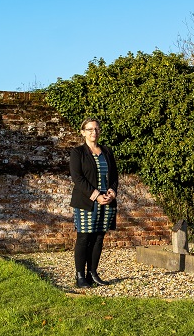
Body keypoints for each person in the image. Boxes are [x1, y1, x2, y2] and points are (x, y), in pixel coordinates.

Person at [69, 118, 118, 288]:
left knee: (98, 238)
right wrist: (96, 195)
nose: (93, 132)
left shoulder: (107, 151)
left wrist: (112, 191)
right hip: (86, 202)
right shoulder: (78, 153)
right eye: (89, 129)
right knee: (84, 238)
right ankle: (80, 276)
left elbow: (114, 177)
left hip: (107, 202)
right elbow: (77, 178)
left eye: (96, 129)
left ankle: (93, 273)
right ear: (83, 132)